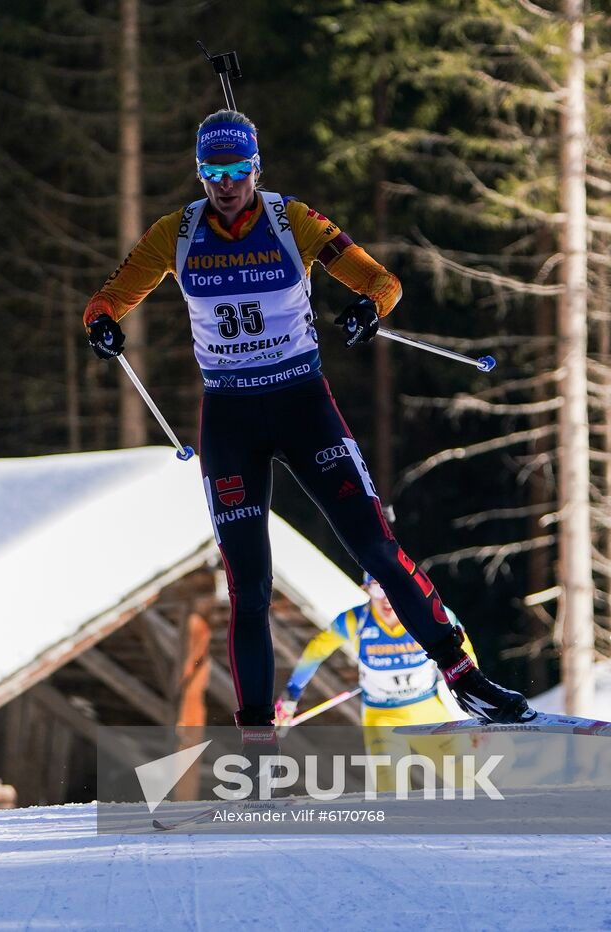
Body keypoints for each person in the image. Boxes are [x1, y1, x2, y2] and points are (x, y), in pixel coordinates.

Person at [83, 109, 532, 756]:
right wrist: (102, 325)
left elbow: (382, 282)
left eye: (238, 171)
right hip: (231, 416)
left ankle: (466, 678)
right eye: (214, 172)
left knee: (377, 548)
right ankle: (259, 742)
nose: (227, 184)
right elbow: (108, 298)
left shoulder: (292, 219)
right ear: (201, 172)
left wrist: (365, 308)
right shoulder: (172, 234)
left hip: (301, 403)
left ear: (256, 169)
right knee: (250, 584)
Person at [278, 575, 477, 792]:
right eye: (377, 588)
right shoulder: (356, 620)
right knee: (392, 790)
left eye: (391, 588)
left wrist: (476, 701)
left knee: (468, 782)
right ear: (366, 589)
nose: (385, 598)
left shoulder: (431, 614)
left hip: (428, 711)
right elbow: (316, 652)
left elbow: (466, 653)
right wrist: (291, 694)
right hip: (382, 717)